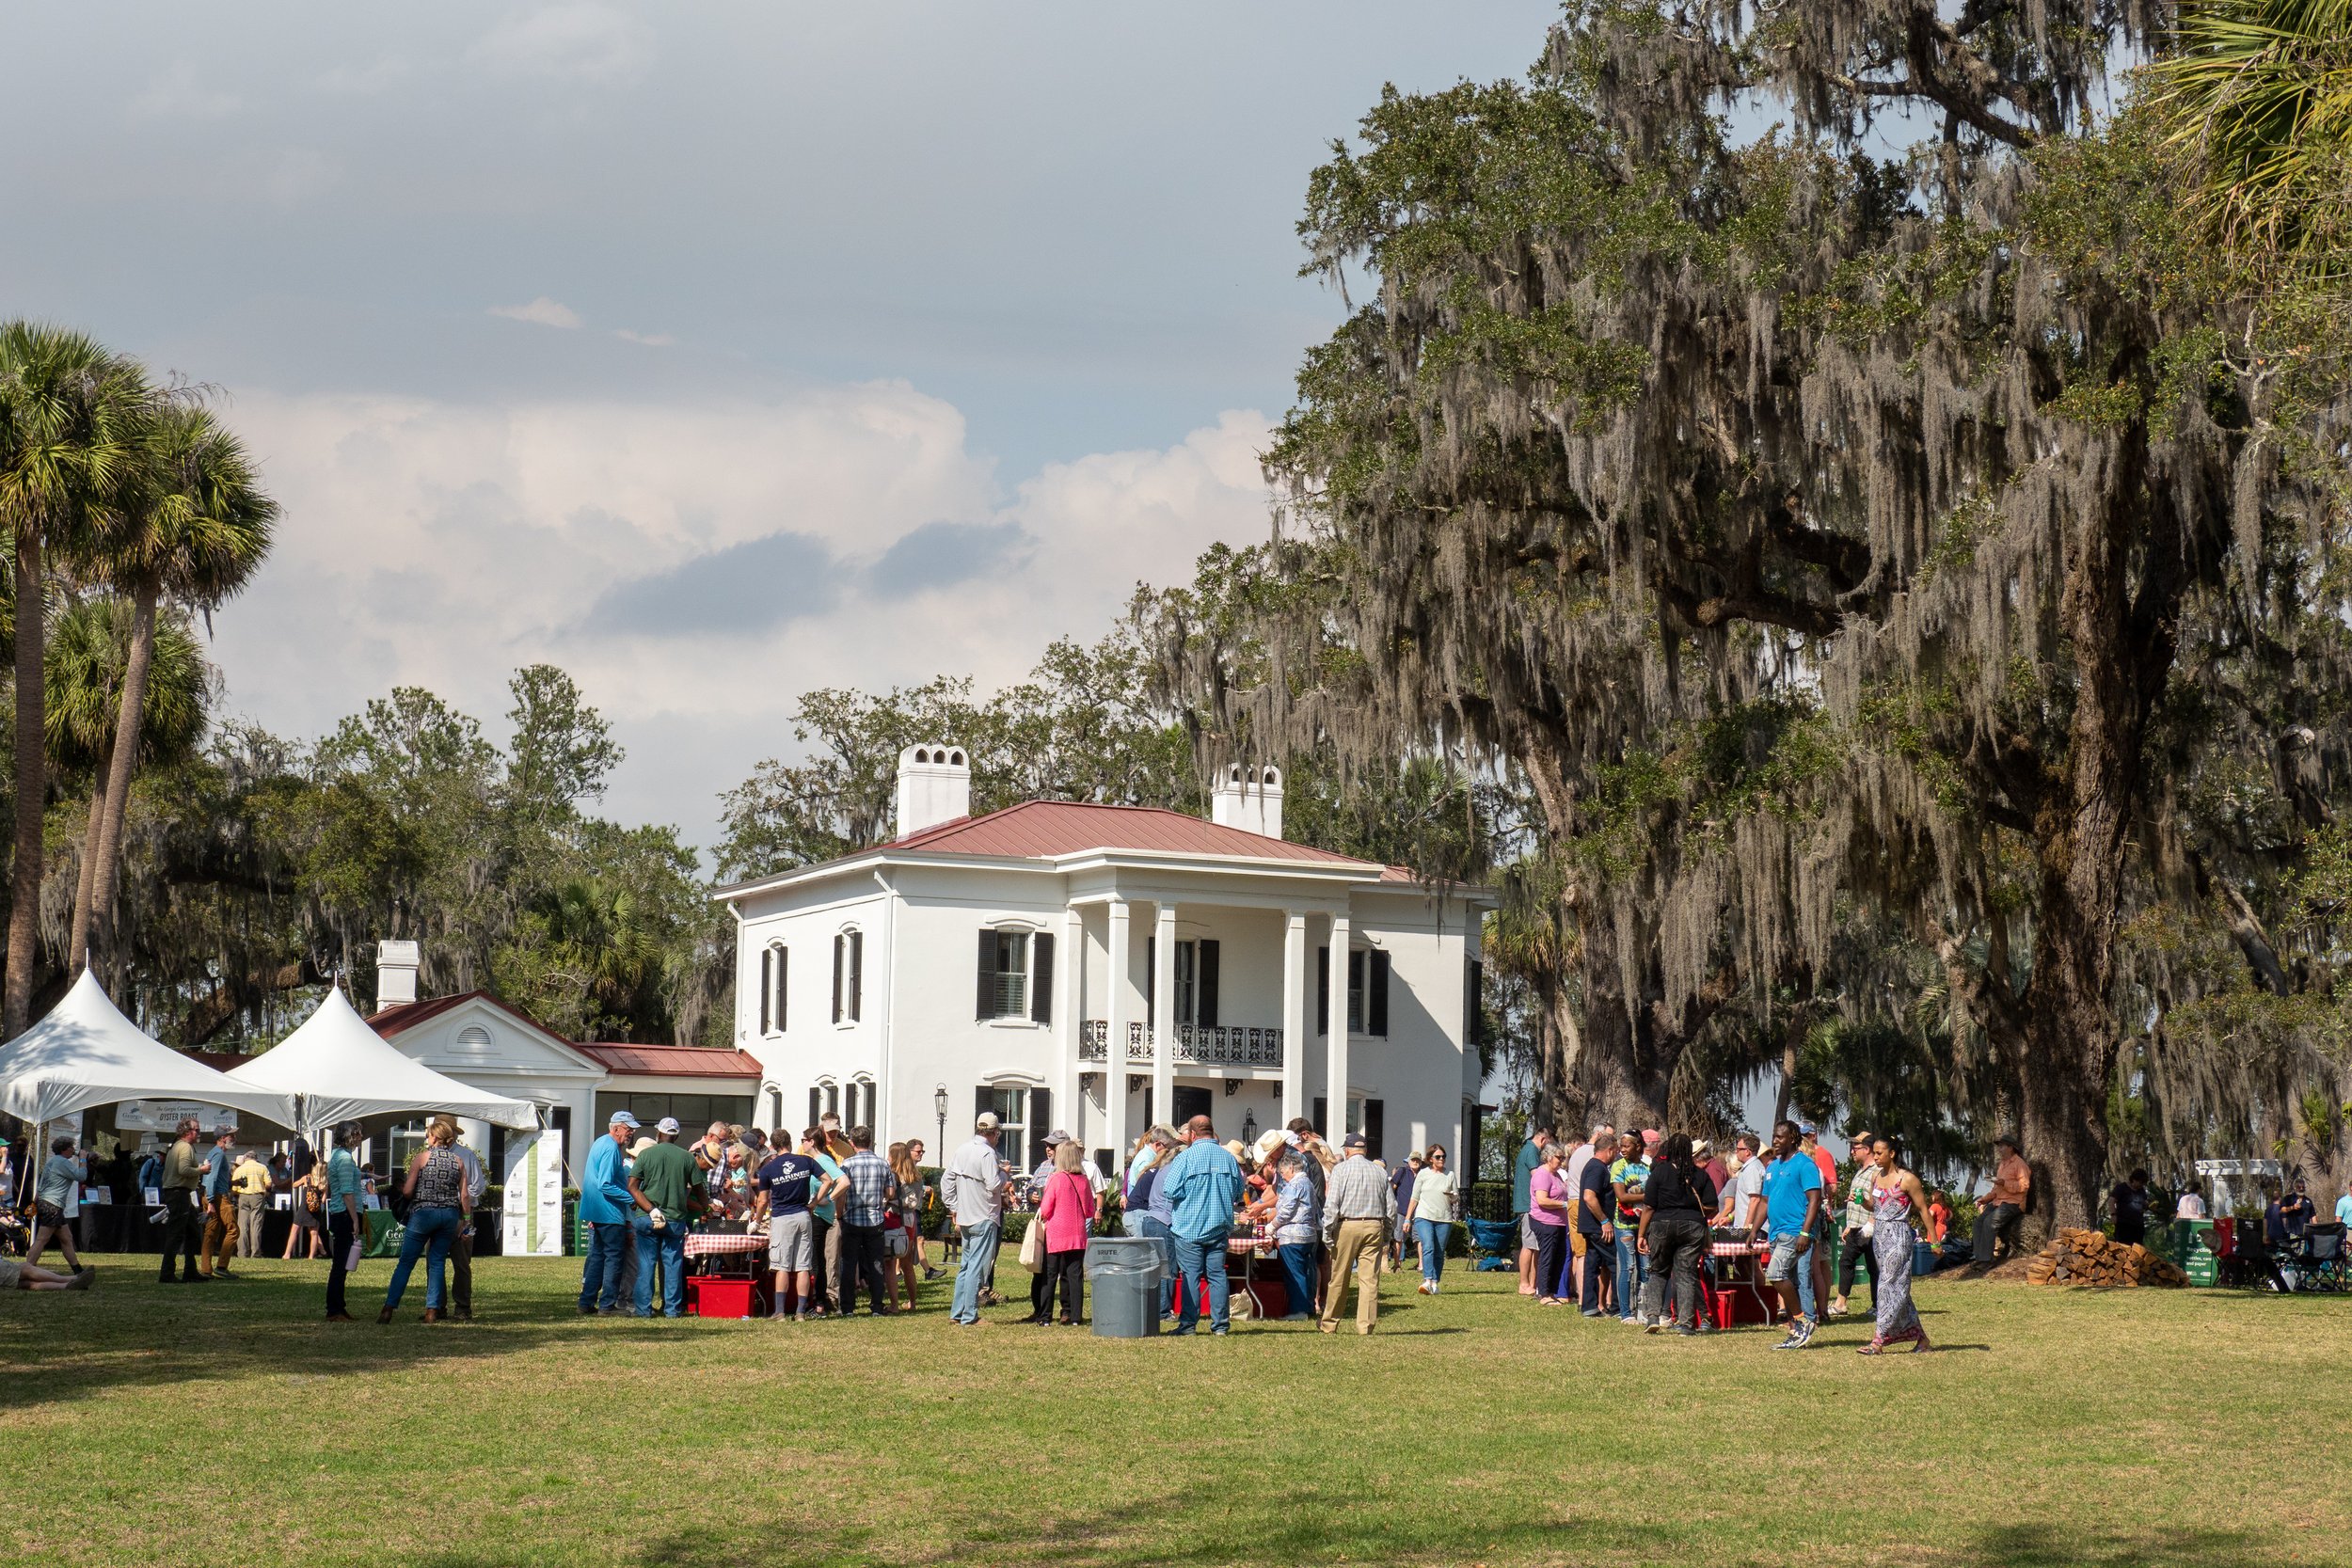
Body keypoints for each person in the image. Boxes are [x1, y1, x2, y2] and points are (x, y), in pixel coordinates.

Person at [377, 1119, 471, 1323]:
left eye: (428, 1135)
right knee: (437, 1262)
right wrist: (465, 1220)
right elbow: (464, 1196)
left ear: (435, 1137)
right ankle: (432, 1310)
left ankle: (388, 1308)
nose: (427, 1139)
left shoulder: (422, 1158)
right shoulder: (459, 1161)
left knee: (406, 1262)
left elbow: (409, 1191)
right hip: (448, 1215)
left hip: (424, 1214)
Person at [1162, 1115, 1246, 1336]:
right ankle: (1220, 1326)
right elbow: (1238, 1193)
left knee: (1190, 1275)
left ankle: (1189, 1324)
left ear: (1191, 1134)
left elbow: (1169, 1190)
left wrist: (1190, 1194)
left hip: (1189, 1227)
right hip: (1218, 1226)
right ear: (1211, 1131)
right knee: (1217, 1275)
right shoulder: (1228, 1158)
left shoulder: (1185, 1158)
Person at [1751, 1120, 1824, 1349]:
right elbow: (1764, 1201)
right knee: (1789, 1280)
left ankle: (1804, 1320)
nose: (1775, 1141)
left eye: (1780, 1137)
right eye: (1774, 1137)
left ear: (1793, 1138)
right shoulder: (1772, 1167)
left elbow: (1815, 1199)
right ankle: (1796, 1331)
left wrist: (1805, 1232)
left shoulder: (1805, 1164)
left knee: (1775, 1273)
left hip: (1795, 1232)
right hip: (1775, 1233)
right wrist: (1753, 1230)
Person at [1858, 1135, 1933, 1354]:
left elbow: (1923, 1210)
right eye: (1874, 1153)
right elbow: (1875, 1206)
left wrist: (1934, 1240)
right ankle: (1921, 1338)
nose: (1876, 1157)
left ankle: (1878, 1342)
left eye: (1880, 1153)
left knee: (1886, 1286)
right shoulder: (1875, 1177)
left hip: (1899, 1236)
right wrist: (1862, 1201)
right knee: (1897, 1288)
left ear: (1892, 1154)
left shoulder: (1907, 1179)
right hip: (1880, 1237)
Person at [1637, 1132, 1717, 1335]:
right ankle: (1686, 1324)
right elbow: (1712, 1207)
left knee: (1658, 1271)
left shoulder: (1659, 1172)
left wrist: (1641, 1234)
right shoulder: (1700, 1174)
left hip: (1661, 1225)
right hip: (1692, 1227)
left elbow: (1648, 1206)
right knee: (1686, 1274)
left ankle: (1653, 1316)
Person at [1317, 1132, 1394, 1335]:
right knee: (1370, 1280)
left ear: (1347, 1150)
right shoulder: (1379, 1171)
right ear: (1365, 1150)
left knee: (1339, 1277)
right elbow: (1391, 1208)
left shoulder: (1340, 1170)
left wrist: (1327, 1233)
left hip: (1347, 1226)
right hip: (1374, 1225)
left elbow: (1332, 1205)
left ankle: (1330, 1324)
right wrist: (1386, 1233)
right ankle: (1365, 1326)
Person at [627, 1117, 697, 1319]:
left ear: (658, 1133)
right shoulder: (687, 1157)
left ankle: (643, 1310)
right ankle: (672, 1310)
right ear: (677, 1136)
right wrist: (705, 1207)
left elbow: (632, 1187)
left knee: (646, 1263)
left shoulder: (646, 1155)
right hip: (675, 1219)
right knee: (673, 1265)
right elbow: (699, 1190)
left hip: (646, 1218)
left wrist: (650, 1209)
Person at [755, 1126, 827, 1320]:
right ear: (790, 1143)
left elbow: (762, 1201)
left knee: (782, 1266)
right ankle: (801, 1312)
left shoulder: (768, 1168)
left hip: (782, 1217)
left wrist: (757, 1221)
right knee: (803, 1266)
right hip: (803, 1215)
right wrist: (813, 1203)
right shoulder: (806, 1161)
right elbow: (828, 1180)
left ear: (773, 1146)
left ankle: (779, 1312)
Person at [576, 1111, 639, 1315]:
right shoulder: (611, 1148)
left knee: (597, 1257)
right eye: (628, 1129)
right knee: (613, 1257)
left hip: (597, 1210)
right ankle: (607, 1305)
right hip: (609, 1212)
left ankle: (586, 1303)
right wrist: (632, 1199)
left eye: (632, 1130)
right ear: (616, 1128)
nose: (631, 1133)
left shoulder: (601, 1142)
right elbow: (605, 1184)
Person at [1031, 1139, 1097, 1325]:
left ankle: (1045, 1316)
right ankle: (1075, 1316)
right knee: (1075, 1276)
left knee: (1050, 1275)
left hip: (1056, 1232)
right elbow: (1089, 1210)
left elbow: (1045, 1208)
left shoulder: (1056, 1179)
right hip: (1077, 1233)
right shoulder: (1083, 1180)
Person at [834, 1124, 898, 1317]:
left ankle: (847, 1307)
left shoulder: (847, 1165)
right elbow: (890, 1192)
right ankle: (877, 1306)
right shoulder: (883, 1164)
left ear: (852, 1143)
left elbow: (841, 1194)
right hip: (875, 1218)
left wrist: (840, 1214)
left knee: (849, 1262)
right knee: (876, 1263)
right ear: (870, 1142)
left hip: (852, 1217)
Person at [1126, 1125, 1180, 1321]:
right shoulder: (1158, 1168)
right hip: (1145, 1216)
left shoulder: (1153, 1168)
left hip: (1145, 1216)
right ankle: (1162, 1310)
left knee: (1152, 1265)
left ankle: (1152, 1307)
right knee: (1164, 1266)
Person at [437, 1120, 487, 1322]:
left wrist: (460, 1200)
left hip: (461, 1213)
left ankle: (462, 1307)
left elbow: (478, 1186)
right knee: (435, 1262)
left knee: (462, 1263)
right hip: (439, 1212)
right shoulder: (429, 1156)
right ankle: (437, 1306)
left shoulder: (466, 1156)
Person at [1828, 1130, 1878, 1320]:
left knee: (1874, 1268)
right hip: (1857, 1227)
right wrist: (1850, 1224)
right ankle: (1842, 1303)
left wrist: (1869, 1221)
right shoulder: (1861, 1171)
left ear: (1867, 1149)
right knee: (1846, 1261)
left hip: (1871, 1227)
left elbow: (1878, 1201)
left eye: (1855, 1148)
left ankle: (1877, 1305)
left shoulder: (1877, 1172)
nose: (1851, 1152)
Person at [1269, 1148, 1321, 1320]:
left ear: (1291, 1167)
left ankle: (1298, 1311)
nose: (1282, 1176)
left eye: (1283, 1172)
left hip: (1293, 1235)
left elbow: (1286, 1211)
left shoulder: (1295, 1184)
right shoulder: (1308, 1183)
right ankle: (1307, 1307)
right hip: (1308, 1234)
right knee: (1306, 1272)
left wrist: (1273, 1226)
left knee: (1294, 1273)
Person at [1612, 1131, 1655, 1324]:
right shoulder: (1618, 1166)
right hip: (1624, 1224)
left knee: (1646, 1267)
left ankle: (1643, 1311)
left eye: (1626, 1146)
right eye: (1621, 1146)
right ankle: (1626, 1313)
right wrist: (1647, 1197)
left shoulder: (1648, 1167)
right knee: (1628, 1268)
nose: (1622, 1149)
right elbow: (1622, 1196)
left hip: (1644, 1225)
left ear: (1638, 1146)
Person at [28, 1134, 87, 1275]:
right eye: (72, 1147)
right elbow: (81, 1176)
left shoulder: (51, 1162)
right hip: (52, 1205)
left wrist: (34, 1203)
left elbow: (42, 1185)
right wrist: (83, 1159)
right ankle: (25, 1269)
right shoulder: (62, 1162)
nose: (74, 1150)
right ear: (65, 1149)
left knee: (67, 1238)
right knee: (42, 1239)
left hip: (47, 1203)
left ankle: (78, 1272)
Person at [323, 1126, 365, 1321]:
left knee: (340, 1264)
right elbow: (347, 1192)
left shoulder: (337, 1156)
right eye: (357, 1134)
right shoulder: (346, 1159)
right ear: (349, 1136)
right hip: (346, 1214)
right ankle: (335, 1309)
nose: (361, 1137)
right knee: (341, 1265)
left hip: (339, 1213)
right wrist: (355, 1220)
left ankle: (337, 1307)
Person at [157, 1118, 207, 1284]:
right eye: (197, 1130)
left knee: (192, 1232)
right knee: (176, 1234)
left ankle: (190, 1271)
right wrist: (202, 1170)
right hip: (179, 1193)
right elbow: (183, 1170)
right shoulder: (185, 1147)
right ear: (187, 1132)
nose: (199, 1133)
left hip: (179, 1193)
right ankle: (167, 1273)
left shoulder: (177, 1146)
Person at [1574, 1132, 1618, 1315]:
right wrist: (1605, 1221)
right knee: (1617, 1261)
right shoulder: (1597, 1168)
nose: (1616, 1156)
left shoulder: (1592, 1166)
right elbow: (1589, 1196)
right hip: (1598, 1226)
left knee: (1592, 1264)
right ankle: (1618, 1307)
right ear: (1609, 1150)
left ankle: (1590, 1306)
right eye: (1615, 1152)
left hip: (1591, 1226)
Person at [1405, 1144, 1458, 1294]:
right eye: (1438, 1157)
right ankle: (1427, 1280)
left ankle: (1435, 1283)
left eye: (1443, 1157)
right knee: (1428, 1246)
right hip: (1424, 1216)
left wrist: (1453, 1196)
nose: (1441, 1159)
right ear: (1430, 1159)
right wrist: (1407, 1218)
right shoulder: (1423, 1174)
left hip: (1444, 1219)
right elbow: (1414, 1197)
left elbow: (1455, 1197)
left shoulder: (1450, 1175)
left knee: (1439, 1252)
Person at [1527, 1141, 1575, 1307]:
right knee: (1547, 1256)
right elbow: (1542, 1200)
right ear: (1548, 1157)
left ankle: (1552, 1291)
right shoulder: (1542, 1174)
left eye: (1563, 1158)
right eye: (1558, 1157)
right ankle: (1543, 1292)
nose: (1561, 1161)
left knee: (1559, 1257)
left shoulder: (1556, 1175)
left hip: (1559, 1223)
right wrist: (1564, 1205)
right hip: (1544, 1222)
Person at [1973, 1134, 2031, 1264]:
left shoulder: (2020, 1164)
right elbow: (1996, 1189)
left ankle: (1986, 1259)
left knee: (1989, 1222)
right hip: (1998, 1202)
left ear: (2011, 1148)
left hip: (2013, 1203)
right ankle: (1978, 1256)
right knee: (1978, 1222)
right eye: (1999, 1146)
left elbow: (2024, 1186)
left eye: (2002, 1146)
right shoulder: (2002, 1165)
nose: (1999, 1149)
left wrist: (2004, 1183)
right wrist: (1985, 1199)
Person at [1512, 1126, 1550, 1296]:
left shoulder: (1526, 1149)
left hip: (1527, 1204)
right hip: (1529, 1205)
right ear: (1543, 1139)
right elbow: (1538, 1176)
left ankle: (1533, 1284)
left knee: (1534, 1246)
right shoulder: (1532, 1151)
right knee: (1529, 1245)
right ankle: (1524, 1283)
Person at [885, 1141, 924, 1310]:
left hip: (892, 1217)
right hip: (910, 1219)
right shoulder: (916, 1175)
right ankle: (913, 1302)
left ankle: (894, 1304)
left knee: (890, 1262)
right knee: (907, 1264)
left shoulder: (891, 1174)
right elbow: (916, 1201)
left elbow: (888, 1197)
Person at [199, 1130, 239, 1279]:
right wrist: (210, 1201)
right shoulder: (219, 1154)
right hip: (218, 1197)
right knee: (233, 1230)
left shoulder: (213, 1153)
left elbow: (214, 1178)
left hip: (212, 1194)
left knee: (211, 1233)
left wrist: (234, 1182)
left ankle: (206, 1269)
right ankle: (221, 1266)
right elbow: (212, 1178)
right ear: (223, 1138)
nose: (234, 1138)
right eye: (231, 1136)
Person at [231, 1146, 273, 1259]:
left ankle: (242, 1253)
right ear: (256, 1158)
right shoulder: (262, 1167)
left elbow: (234, 1189)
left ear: (245, 1159)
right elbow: (269, 1184)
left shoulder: (239, 1169)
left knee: (242, 1225)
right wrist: (267, 1192)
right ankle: (255, 1253)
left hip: (243, 1196)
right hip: (257, 1196)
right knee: (256, 1225)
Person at [283, 1158, 327, 1259]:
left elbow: (294, 1185)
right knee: (314, 1233)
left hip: (304, 1208)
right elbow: (324, 1200)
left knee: (294, 1230)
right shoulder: (324, 1183)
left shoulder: (306, 1178)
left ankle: (287, 1254)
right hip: (315, 1210)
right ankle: (312, 1256)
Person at [1387, 1151, 1422, 1270]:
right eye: (1413, 1160)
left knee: (1418, 1238)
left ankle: (1421, 1264)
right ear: (1409, 1161)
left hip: (1418, 1211)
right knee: (1399, 1236)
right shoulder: (1402, 1171)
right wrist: (1391, 1202)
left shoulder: (1423, 1174)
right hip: (1401, 1209)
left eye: (1418, 1160)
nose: (1415, 1162)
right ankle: (1397, 1264)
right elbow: (1392, 1186)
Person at [2107, 1168, 2152, 1246]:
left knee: (2137, 1250)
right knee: (2123, 1248)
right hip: (2124, 1224)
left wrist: (2149, 1206)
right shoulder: (2121, 1188)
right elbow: (2111, 1200)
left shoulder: (2142, 1190)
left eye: (2143, 1183)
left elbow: (2144, 1203)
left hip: (2138, 1225)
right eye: (2140, 1182)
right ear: (2134, 1179)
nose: (2141, 1185)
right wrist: (2113, 1215)